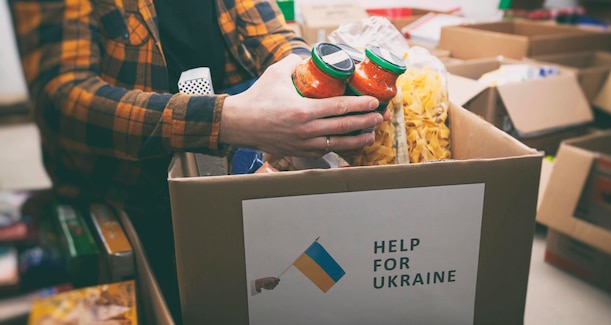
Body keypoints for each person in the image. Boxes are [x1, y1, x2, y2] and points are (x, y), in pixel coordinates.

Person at [9, 0, 386, 321]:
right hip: (123, 201)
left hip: (228, 182)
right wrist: (226, 120)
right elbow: (62, 100)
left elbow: (271, 36)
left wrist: (313, 78)